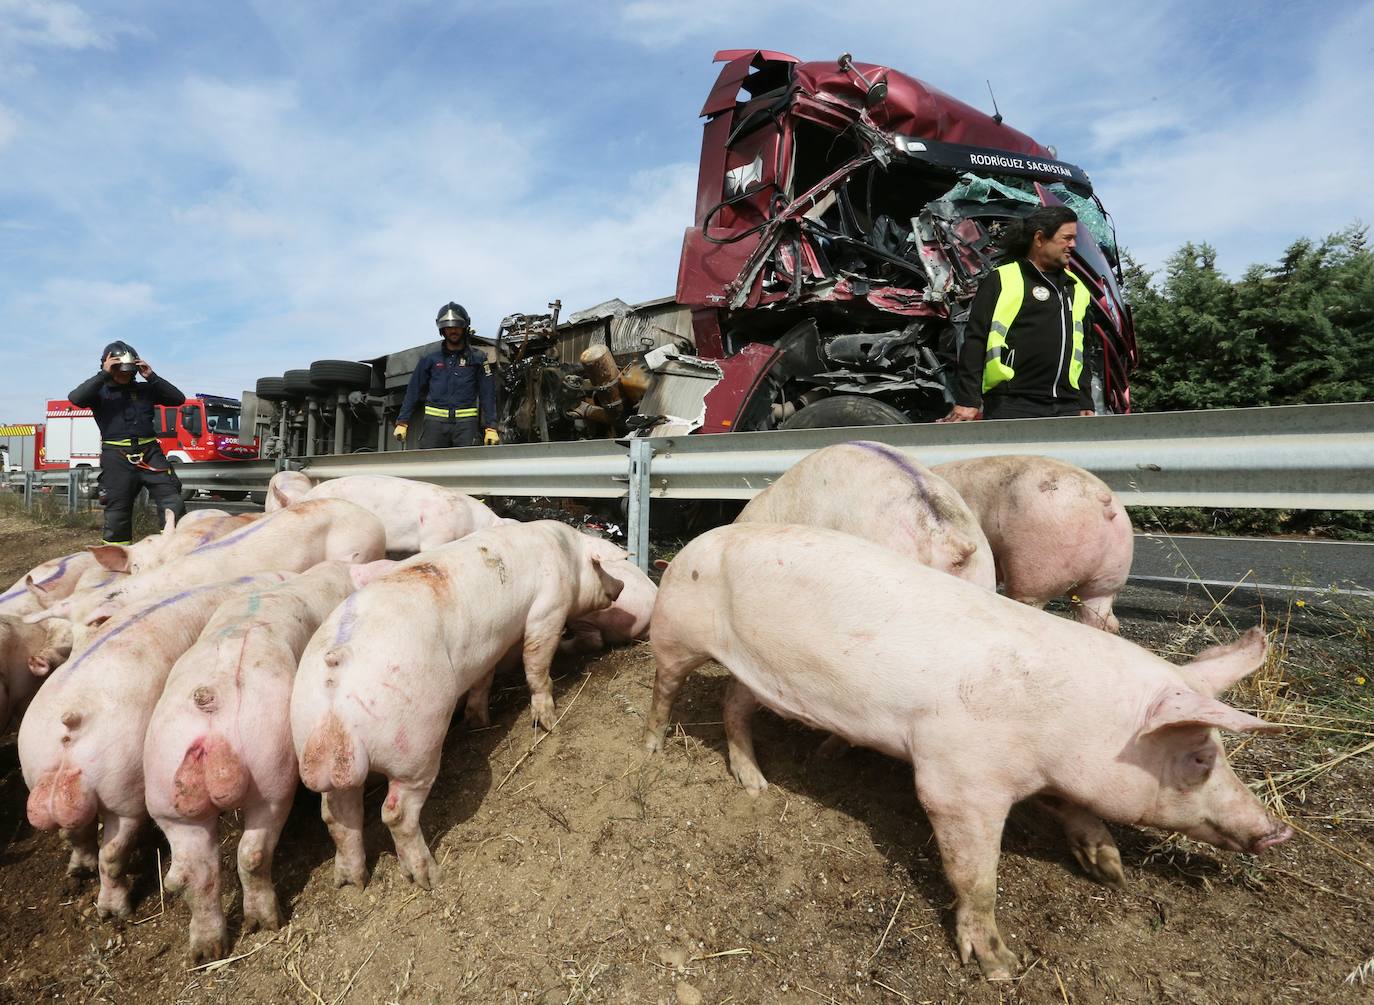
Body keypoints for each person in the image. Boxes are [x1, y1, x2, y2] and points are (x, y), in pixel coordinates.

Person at [940, 205, 1096, 422]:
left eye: (1074, 238)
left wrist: (1085, 400)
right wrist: (968, 400)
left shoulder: (1077, 287)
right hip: (1012, 404)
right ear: (1040, 239)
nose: (1073, 245)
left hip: (1068, 406)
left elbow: (1084, 350)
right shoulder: (1002, 278)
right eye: (1066, 238)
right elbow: (975, 340)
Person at [69, 341, 188, 546]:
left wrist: (151, 376)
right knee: (117, 512)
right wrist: (104, 374)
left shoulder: (145, 390)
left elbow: (178, 399)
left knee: (172, 501)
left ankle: (175, 549)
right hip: (117, 458)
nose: (123, 373)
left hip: (151, 453)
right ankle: (117, 563)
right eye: (118, 369)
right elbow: (75, 398)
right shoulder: (99, 392)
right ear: (107, 366)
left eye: (127, 369)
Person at [393, 302, 501, 449]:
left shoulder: (478, 358)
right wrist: (402, 421)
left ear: (465, 327)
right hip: (434, 426)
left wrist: (491, 427)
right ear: (442, 329)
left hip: (466, 426)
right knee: (431, 468)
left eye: (457, 326)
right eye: (449, 327)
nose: (453, 330)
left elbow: (487, 394)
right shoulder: (430, 357)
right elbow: (414, 390)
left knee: (467, 469)